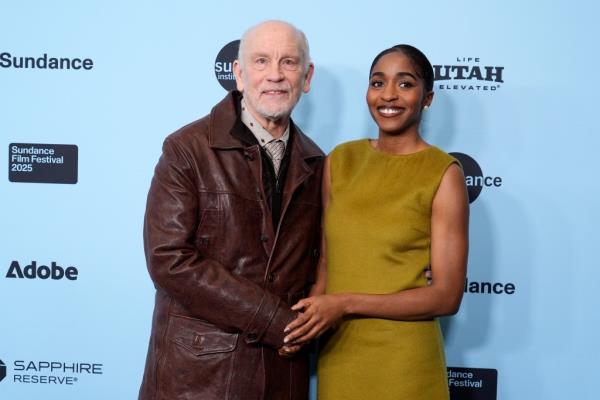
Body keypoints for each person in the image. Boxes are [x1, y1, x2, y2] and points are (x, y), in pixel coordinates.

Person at [139, 20, 324, 400]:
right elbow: (168, 259)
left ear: (306, 77)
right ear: (239, 74)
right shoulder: (187, 149)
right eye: (261, 61)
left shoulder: (317, 163)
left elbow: (329, 253)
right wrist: (275, 321)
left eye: (288, 62)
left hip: (282, 373)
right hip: (197, 376)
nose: (275, 75)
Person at [283, 45, 470, 399]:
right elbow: (326, 262)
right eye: (378, 82)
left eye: (405, 84)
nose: (388, 95)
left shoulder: (443, 173)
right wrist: (303, 327)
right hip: (339, 356)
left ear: (427, 98)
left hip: (404, 362)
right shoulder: (341, 160)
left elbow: (446, 297)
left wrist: (345, 303)